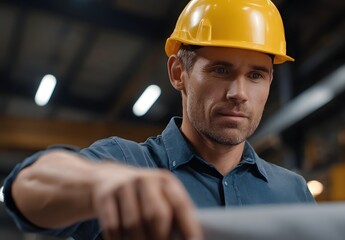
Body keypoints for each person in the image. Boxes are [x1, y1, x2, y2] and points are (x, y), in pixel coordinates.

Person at [2, 0, 315, 239]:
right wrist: (98, 183)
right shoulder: (126, 164)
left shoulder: (292, 191)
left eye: (256, 75)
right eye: (221, 70)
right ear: (179, 73)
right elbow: (25, 188)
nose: (239, 92)